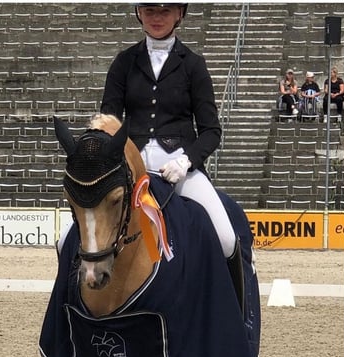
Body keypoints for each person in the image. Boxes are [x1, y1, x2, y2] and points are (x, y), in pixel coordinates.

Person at [99, 3, 240, 264]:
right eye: (150, 11)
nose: (157, 18)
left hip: (178, 166)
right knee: (67, 240)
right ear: (139, 13)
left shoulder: (194, 65)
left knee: (226, 239)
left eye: (165, 11)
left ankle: (233, 305)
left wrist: (185, 162)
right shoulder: (124, 62)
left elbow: (211, 131)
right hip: (131, 166)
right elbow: (108, 122)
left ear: (179, 14)